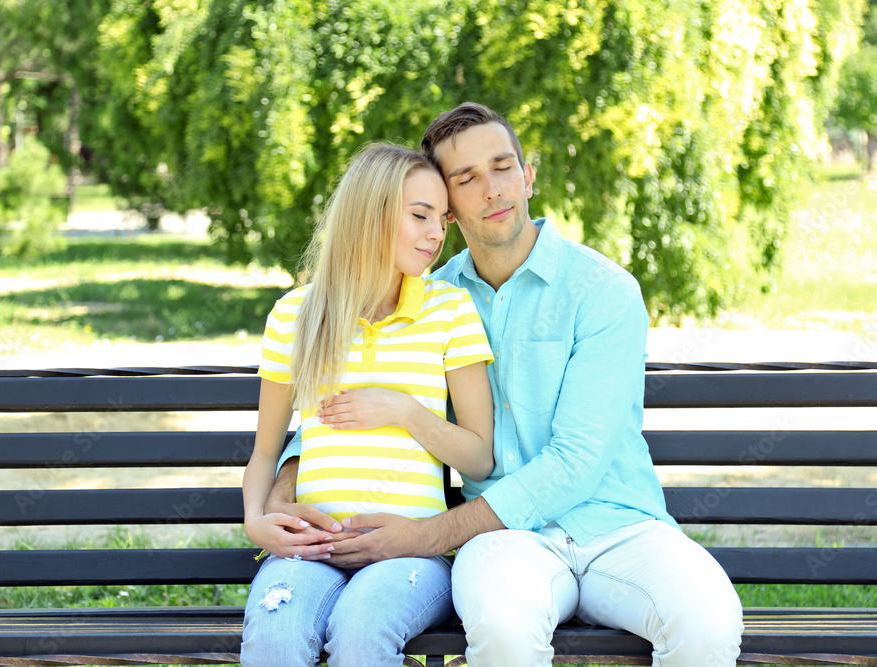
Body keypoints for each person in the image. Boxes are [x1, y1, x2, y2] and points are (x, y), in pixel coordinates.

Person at [262, 103, 744, 666]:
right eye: (467, 178)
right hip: (502, 541)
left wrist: (425, 536)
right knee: (503, 627)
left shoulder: (603, 290)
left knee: (708, 623)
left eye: (503, 167)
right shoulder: (430, 297)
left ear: (528, 176)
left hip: (618, 526)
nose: (493, 189)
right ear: (446, 205)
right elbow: (355, 394)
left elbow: (577, 460)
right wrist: (286, 480)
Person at [240, 142, 495, 667]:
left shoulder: (450, 310)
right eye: (420, 215)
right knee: (274, 636)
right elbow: (265, 454)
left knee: (361, 629)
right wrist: (254, 521)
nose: (436, 233)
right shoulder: (294, 315)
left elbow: (478, 458)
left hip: (410, 555)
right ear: (368, 215)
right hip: (312, 550)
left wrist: (405, 411)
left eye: (442, 219)